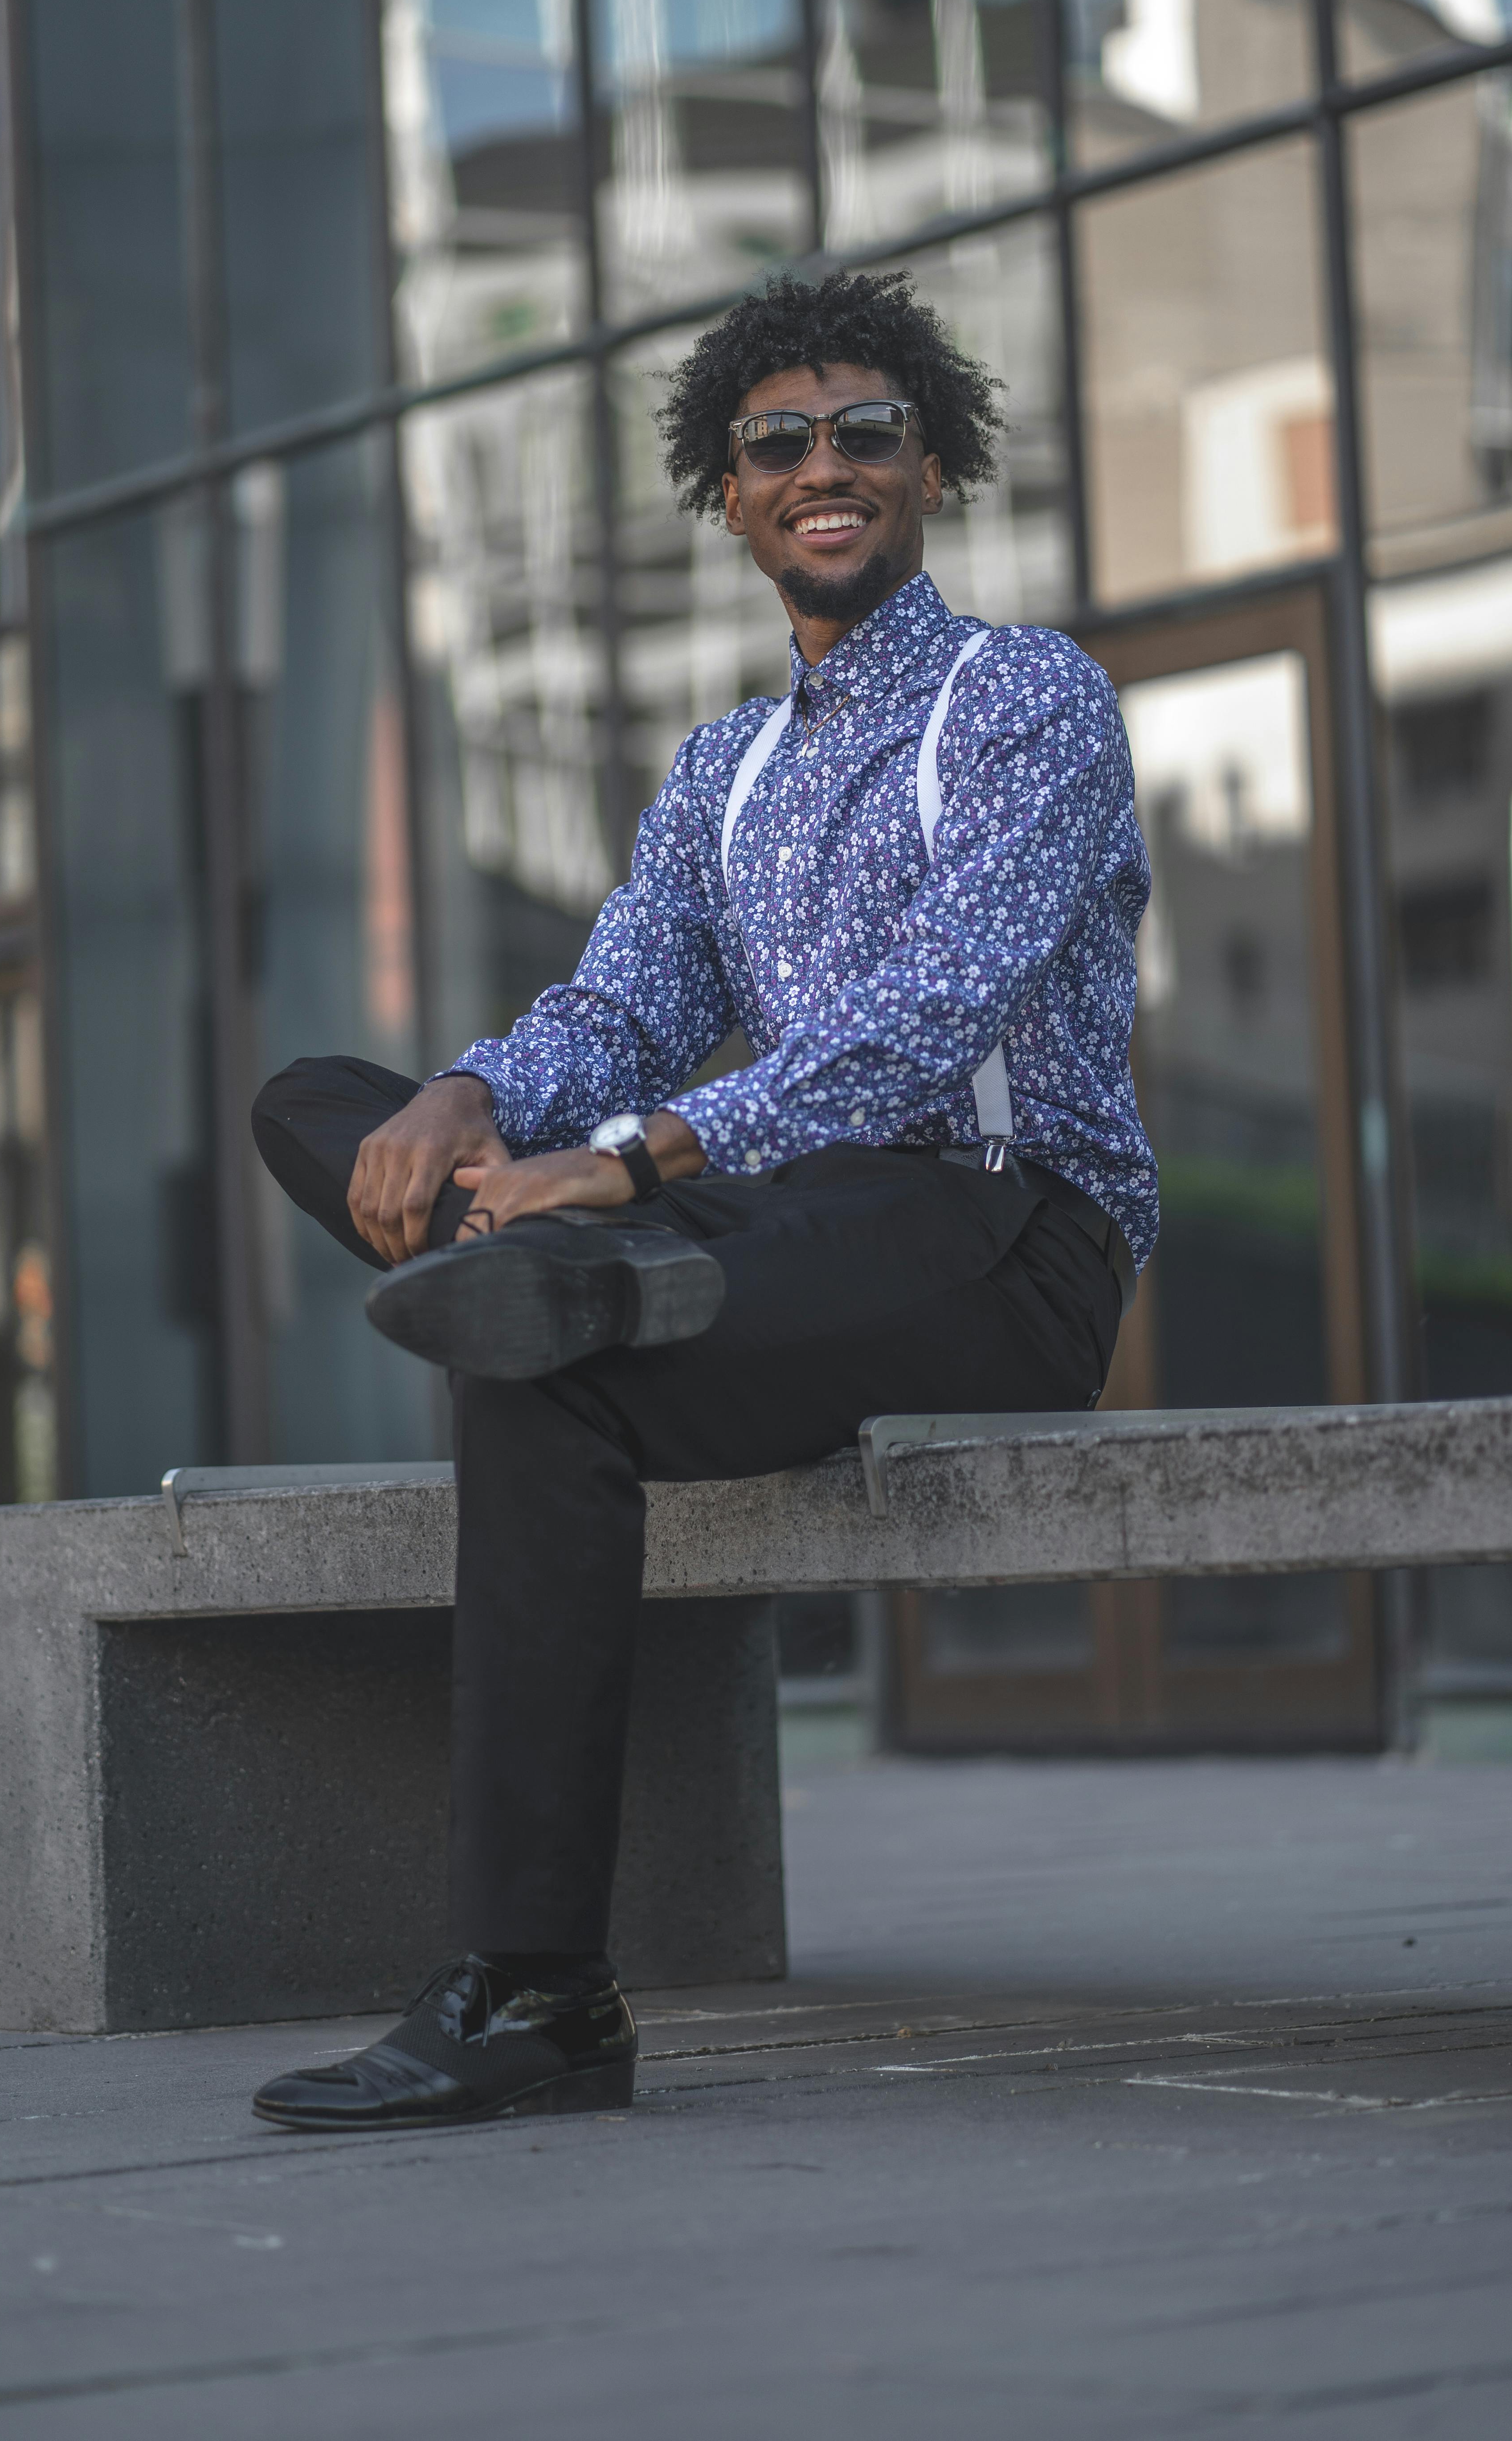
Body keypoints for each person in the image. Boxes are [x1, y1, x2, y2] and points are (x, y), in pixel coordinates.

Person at [247, 267, 1157, 2135]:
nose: (823, 466)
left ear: (930, 465)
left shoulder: (1025, 697)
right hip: (751, 1241)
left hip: (998, 1236)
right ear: (727, 493)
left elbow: (933, 1021)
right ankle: (539, 1995)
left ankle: (527, 1985)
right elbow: (624, 1002)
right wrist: (467, 1106)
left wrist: (639, 1160)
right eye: (778, 442)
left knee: (594, 1292)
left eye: (864, 433)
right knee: (321, 1116)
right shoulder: (718, 768)